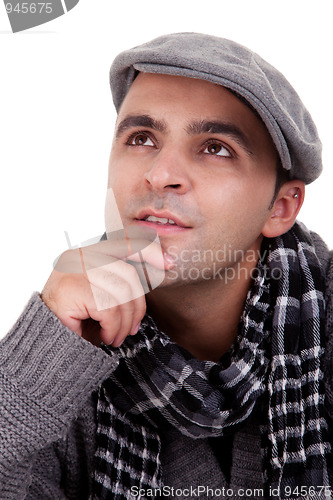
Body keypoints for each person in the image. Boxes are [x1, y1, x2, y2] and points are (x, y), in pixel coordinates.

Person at [0, 32, 332, 500]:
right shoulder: (64, 343)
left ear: (280, 207)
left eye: (215, 147)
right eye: (142, 138)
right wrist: (38, 361)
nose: (160, 174)